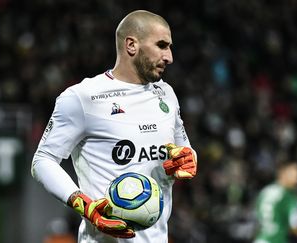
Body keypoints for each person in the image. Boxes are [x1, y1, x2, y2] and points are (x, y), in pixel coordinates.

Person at [31, 10, 197, 243]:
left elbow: (184, 150)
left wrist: (188, 160)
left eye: (169, 47)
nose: (169, 56)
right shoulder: (83, 97)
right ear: (131, 45)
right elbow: (42, 161)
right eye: (161, 45)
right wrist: (85, 206)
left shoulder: (166, 94)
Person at [254, 161, 297, 243]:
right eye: (294, 173)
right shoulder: (289, 196)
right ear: (282, 173)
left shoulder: (266, 191)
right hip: (276, 240)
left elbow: (257, 216)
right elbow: (295, 226)